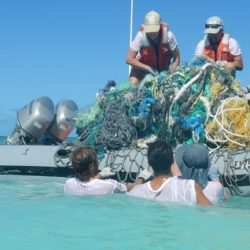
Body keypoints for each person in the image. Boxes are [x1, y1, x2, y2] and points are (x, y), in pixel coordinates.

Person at [128, 141, 212, 205]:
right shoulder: (189, 187)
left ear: (149, 163)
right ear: (172, 161)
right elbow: (209, 212)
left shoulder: (135, 192)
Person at [64, 145, 152, 196]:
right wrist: (141, 178)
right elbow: (128, 189)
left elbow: (87, 185)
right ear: (94, 165)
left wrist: (100, 175)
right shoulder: (110, 185)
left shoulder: (69, 184)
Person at [126, 10, 180, 84]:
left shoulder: (169, 36)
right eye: (149, 30)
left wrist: (171, 72)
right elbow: (128, 59)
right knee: (133, 83)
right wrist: (148, 68)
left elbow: (177, 57)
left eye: (154, 30)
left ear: (160, 26)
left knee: (171, 86)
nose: (152, 33)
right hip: (142, 67)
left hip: (163, 70)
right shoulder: (140, 36)